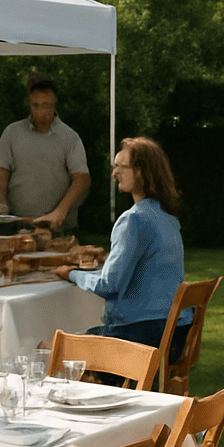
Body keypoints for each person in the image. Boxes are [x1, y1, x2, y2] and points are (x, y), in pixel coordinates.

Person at [52, 137, 192, 360]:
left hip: (142, 338)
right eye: (114, 167)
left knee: (52, 352)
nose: (114, 173)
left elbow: (110, 285)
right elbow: (135, 273)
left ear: (142, 171)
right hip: (175, 334)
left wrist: (70, 274)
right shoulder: (167, 218)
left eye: (120, 167)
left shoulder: (134, 220)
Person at [0, 71, 91, 231]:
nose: (41, 112)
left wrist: (60, 212)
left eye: (46, 105)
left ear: (55, 102)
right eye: (36, 105)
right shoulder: (12, 132)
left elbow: (82, 179)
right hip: (18, 226)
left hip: (58, 228)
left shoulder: (70, 137)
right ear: (29, 103)